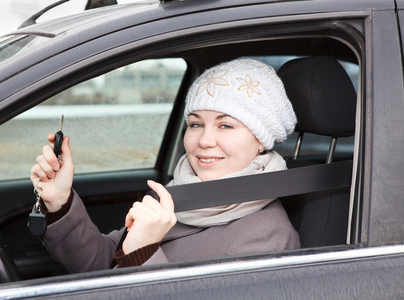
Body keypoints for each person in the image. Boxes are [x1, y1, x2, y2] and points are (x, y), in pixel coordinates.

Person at [30, 57, 300, 272]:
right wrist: (60, 202)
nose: (204, 140)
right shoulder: (179, 192)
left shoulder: (269, 238)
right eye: (195, 124)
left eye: (226, 125)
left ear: (261, 140)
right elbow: (104, 264)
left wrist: (143, 254)